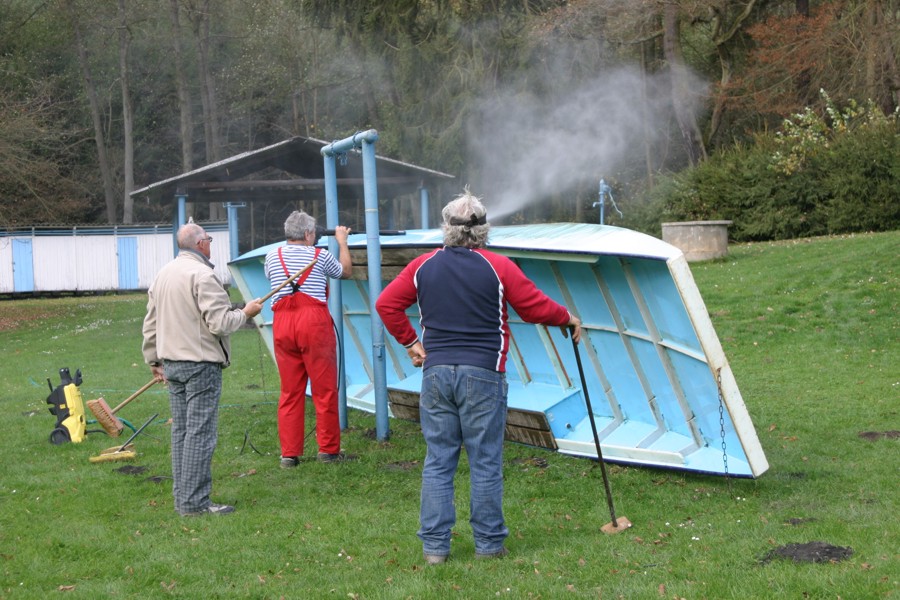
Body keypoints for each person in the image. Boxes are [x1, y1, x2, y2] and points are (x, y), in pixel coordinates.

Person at [375, 188, 582, 564]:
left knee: (439, 460)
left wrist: (411, 342)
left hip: (436, 375)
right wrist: (567, 317)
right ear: (483, 231)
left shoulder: (422, 265)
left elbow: (386, 303)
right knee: (485, 460)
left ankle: (435, 550)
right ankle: (488, 547)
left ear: (447, 228)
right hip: (483, 375)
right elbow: (534, 306)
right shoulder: (498, 266)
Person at [142, 223, 263, 517]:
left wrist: (154, 361)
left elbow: (151, 324)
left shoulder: (163, 274)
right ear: (200, 245)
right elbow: (220, 323)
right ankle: (195, 504)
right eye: (208, 239)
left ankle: (184, 500)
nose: (210, 244)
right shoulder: (203, 275)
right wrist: (245, 313)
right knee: (200, 434)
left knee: (182, 432)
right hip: (200, 366)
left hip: (172, 365)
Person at [263, 210, 353, 467]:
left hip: (283, 323)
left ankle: (289, 454)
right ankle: (328, 450)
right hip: (313, 323)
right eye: (313, 233)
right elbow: (344, 272)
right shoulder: (320, 255)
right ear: (306, 234)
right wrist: (342, 242)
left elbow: (273, 278)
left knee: (290, 391)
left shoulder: (272, 256)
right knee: (324, 390)